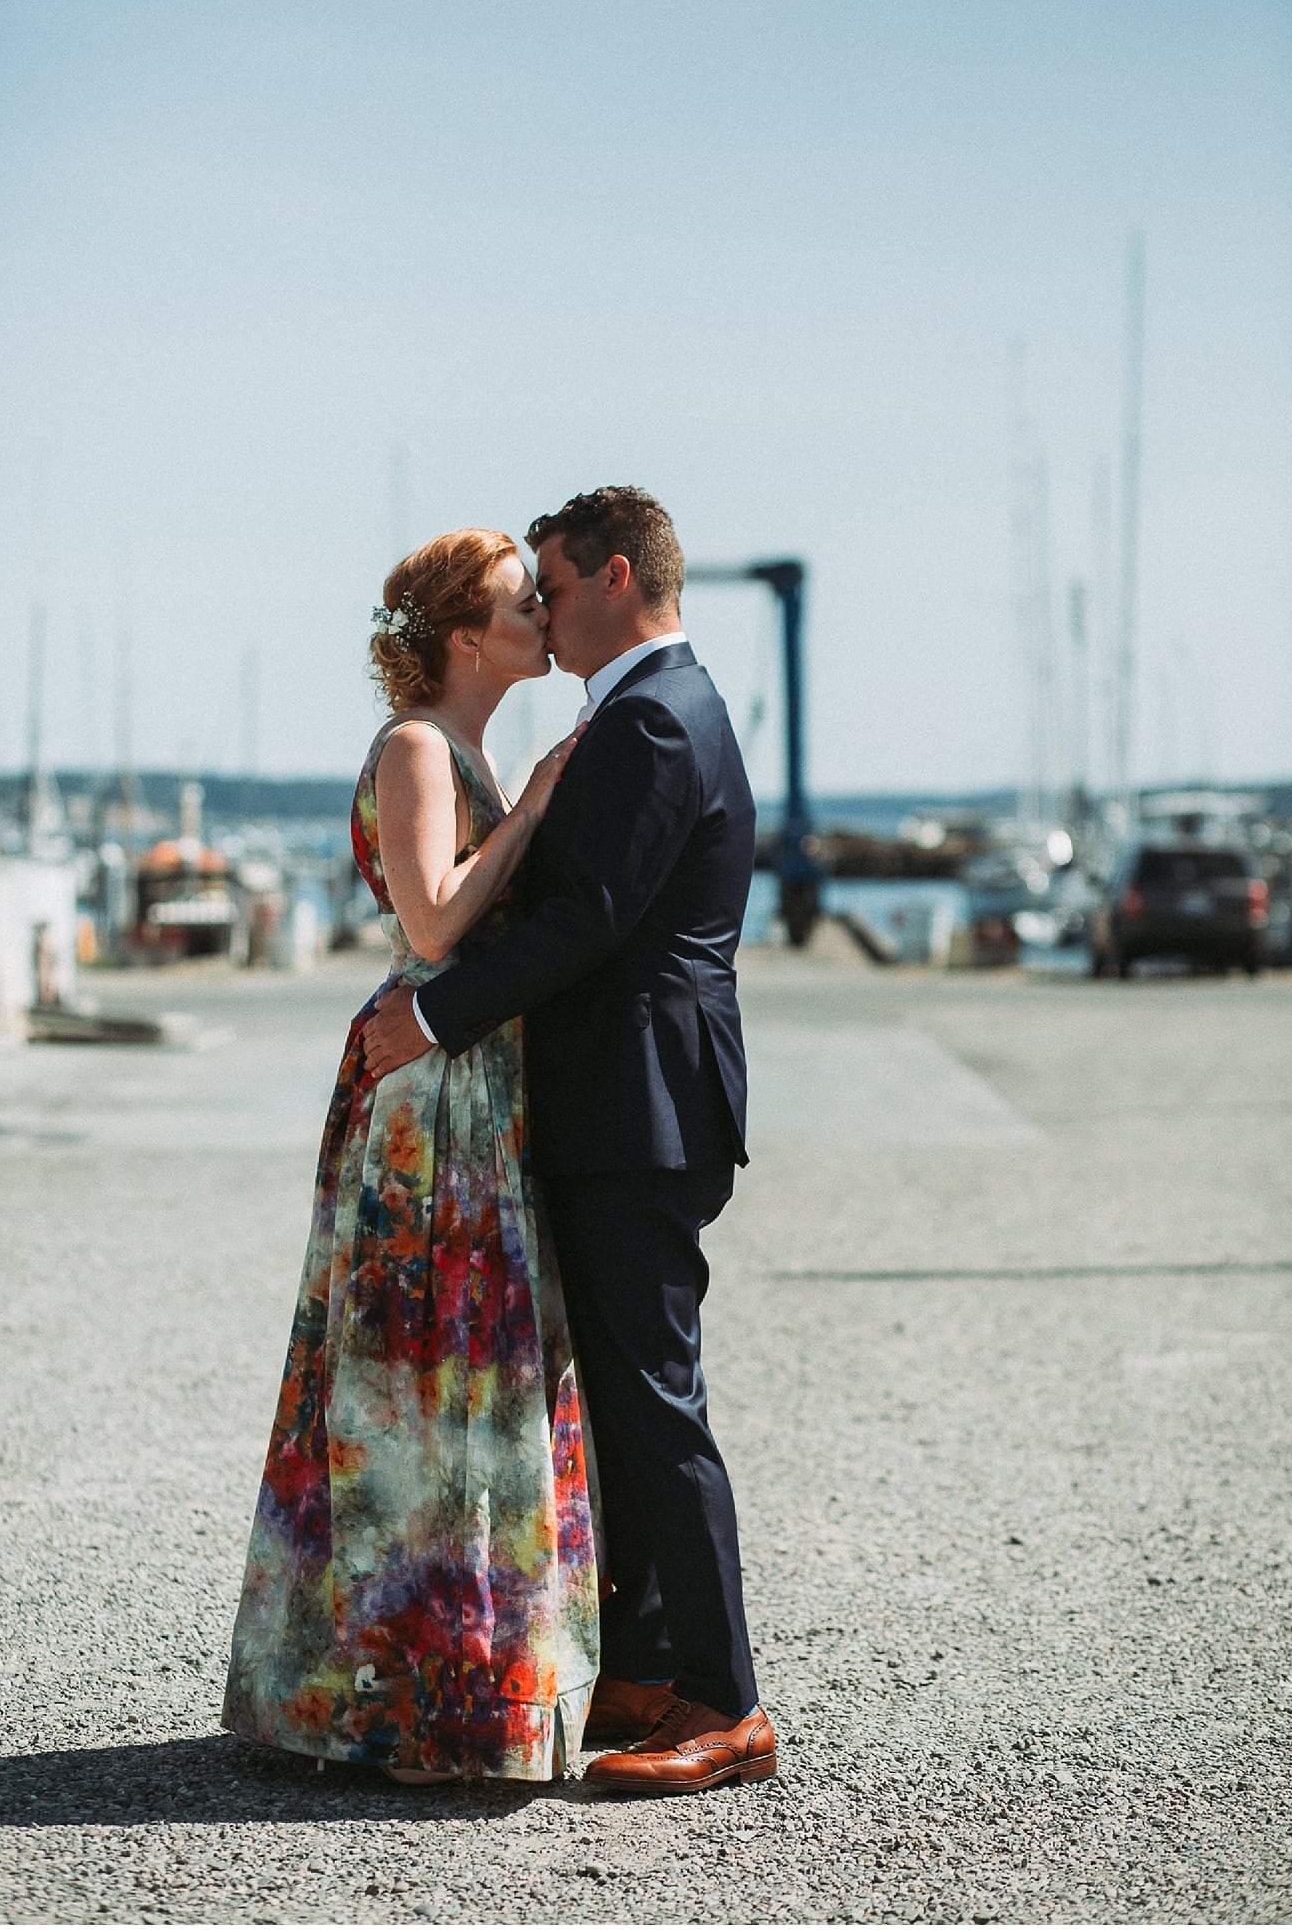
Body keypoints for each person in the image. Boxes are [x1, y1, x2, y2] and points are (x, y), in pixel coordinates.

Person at [364, 486, 777, 1796]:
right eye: (522, 595)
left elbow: (591, 919)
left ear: (613, 575)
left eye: (550, 584)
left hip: (642, 1108)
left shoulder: (654, 716)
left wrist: (434, 1013)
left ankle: (725, 1702)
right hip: (623, 1103)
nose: (541, 610)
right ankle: (651, 1672)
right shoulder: (647, 708)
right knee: (618, 1399)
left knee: (656, 1406)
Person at [222, 527, 600, 1785]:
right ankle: (399, 1694)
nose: (541, 612)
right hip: (430, 1090)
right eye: (515, 601)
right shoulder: (419, 747)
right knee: (415, 1374)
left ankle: (452, 1680)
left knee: (459, 1369)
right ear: (461, 636)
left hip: (471, 1077)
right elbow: (435, 912)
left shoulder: (466, 746)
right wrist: (539, 803)